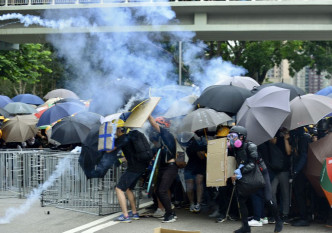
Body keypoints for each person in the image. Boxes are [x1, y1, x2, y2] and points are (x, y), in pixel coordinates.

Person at [229, 126, 283, 233]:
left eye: (233, 136)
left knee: (268, 198)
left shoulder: (251, 146)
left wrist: (239, 171)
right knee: (241, 199)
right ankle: (245, 227)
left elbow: (252, 164)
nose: (230, 139)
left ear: (241, 137)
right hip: (247, 173)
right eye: (229, 136)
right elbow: (242, 162)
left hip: (261, 172)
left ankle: (278, 221)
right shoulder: (236, 149)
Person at [114, 119, 150, 222]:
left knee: (119, 189)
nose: (114, 133)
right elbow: (131, 154)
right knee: (128, 188)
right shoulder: (130, 137)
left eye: (115, 130)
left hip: (133, 168)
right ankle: (134, 213)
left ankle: (125, 216)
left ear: (119, 130)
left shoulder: (122, 138)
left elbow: (109, 149)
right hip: (140, 167)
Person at [148, 115, 178, 223]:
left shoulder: (166, 134)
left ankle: (170, 214)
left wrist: (148, 114)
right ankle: (169, 212)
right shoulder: (162, 140)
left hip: (170, 168)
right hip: (163, 167)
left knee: (162, 190)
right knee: (158, 190)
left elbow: (153, 124)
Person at [289, 126, 311, 227]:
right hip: (300, 169)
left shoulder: (304, 137)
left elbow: (304, 155)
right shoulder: (298, 136)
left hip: (302, 170)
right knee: (299, 193)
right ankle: (303, 215)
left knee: (300, 193)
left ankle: (304, 217)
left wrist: (296, 170)